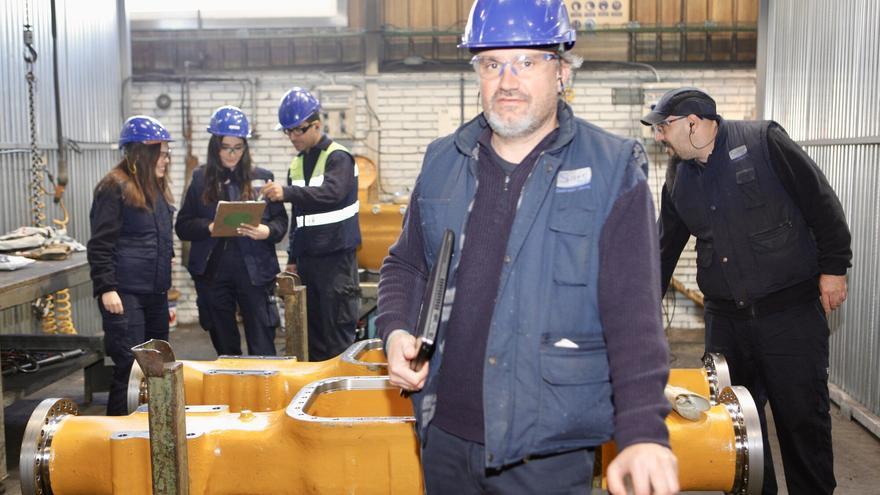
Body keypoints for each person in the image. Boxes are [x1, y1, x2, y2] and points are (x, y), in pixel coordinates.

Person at [376, 1, 678, 493]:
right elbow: (406, 264)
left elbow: (633, 311)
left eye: (527, 62)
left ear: (561, 70)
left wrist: (643, 430)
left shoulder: (613, 169)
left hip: (546, 447)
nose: (507, 80)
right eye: (492, 63)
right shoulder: (442, 161)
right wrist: (393, 333)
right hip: (443, 434)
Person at [643, 87, 851, 494]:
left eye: (664, 128)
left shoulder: (763, 142)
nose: (659, 138)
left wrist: (834, 268)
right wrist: (640, 311)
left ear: (693, 123)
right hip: (726, 322)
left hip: (788, 316)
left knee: (801, 421)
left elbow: (821, 202)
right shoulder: (678, 176)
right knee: (737, 429)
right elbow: (663, 248)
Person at [175, 105, 287, 356]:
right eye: (226, 147)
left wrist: (266, 231)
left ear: (245, 147)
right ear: (215, 146)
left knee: (262, 345)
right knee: (226, 347)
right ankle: (232, 393)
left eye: (238, 147)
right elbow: (183, 226)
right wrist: (210, 227)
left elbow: (280, 224)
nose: (232, 154)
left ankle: (265, 394)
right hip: (214, 273)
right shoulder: (200, 179)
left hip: (255, 272)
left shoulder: (262, 178)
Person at [261, 88, 361, 362]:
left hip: (335, 260)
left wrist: (286, 192)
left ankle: (343, 396)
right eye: (288, 132)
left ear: (317, 124)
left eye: (298, 130)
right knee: (313, 332)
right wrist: (293, 259)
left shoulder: (338, 157)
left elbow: (333, 193)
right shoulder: (296, 164)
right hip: (308, 261)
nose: (293, 137)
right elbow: (299, 217)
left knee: (336, 333)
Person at [87, 115, 175, 415]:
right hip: (125, 294)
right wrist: (106, 287)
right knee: (130, 368)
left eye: (167, 153)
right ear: (141, 154)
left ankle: (150, 432)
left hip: (154, 293)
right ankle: (118, 438)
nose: (166, 159)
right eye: (161, 154)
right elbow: (101, 243)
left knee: (157, 364)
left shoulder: (156, 190)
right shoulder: (114, 187)